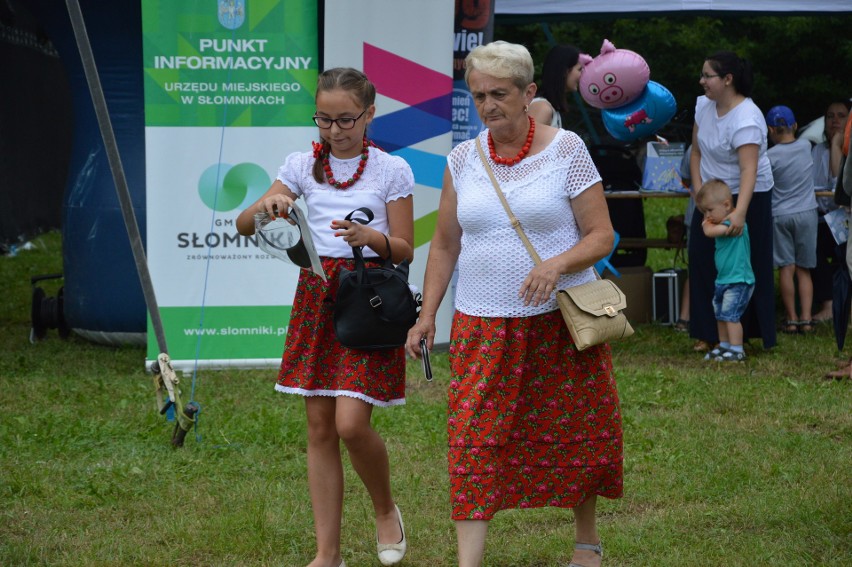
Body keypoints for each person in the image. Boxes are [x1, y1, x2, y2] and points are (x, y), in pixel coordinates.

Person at [405, 41, 622, 567]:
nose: (487, 105)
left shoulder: (566, 149)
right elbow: (445, 243)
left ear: (528, 93)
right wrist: (428, 313)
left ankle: (586, 541)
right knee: (472, 438)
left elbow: (601, 235)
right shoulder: (462, 158)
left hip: (559, 320)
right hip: (481, 323)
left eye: (499, 94)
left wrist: (555, 264)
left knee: (578, 431)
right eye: (478, 95)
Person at [236, 67, 414, 567]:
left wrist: (370, 240)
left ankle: (384, 509)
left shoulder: (389, 170)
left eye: (346, 120)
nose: (334, 131)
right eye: (324, 120)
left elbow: (405, 248)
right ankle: (327, 554)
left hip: (368, 299)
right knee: (319, 428)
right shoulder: (299, 165)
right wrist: (271, 203)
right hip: (317, 299)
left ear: (369, 115)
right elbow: (244, 223)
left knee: (351, 425)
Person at [688, 51, 776, 353]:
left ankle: (745, 334)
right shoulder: (703, 106)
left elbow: (748, 169)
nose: (702, 81)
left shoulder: (747, 118)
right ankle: (706, 331)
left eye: (707, 76)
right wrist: (701, 197)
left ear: (728, 80)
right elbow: (696, 153)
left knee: (743, 264)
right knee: (701, 256)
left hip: (747, 193)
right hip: (711, 191)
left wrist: (739, 212)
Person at [765, 105, 818, 334]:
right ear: (795, 126)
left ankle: (791, 319)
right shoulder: (806, 147)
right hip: (807, 213)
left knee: (786, 268)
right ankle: (806, 319)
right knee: (804, 269)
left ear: (770, 129)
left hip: (780, 214)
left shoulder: (768, 156)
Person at [695, 179, 755, 362]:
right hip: (723, 279)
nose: (707, 216)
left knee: (731, 316)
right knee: (720, 314)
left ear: (727, 205)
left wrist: (706, 224)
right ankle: (724, 345)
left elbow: (710, 232)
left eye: (710, 210)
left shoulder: (735, 224)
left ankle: (737, 349)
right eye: (704, 212)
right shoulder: (721, 222)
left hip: (739, 280)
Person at [810, 99, 851, 322]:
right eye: (830, 116)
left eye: (841, 115)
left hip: (845, 220)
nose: (835, 120)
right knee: (809, 243)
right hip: (822, 219)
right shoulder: (816, 150)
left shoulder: (849, 151)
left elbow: (840, 190)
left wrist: (837, 145)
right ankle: (828, 302)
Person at [528, 44, 592, 128]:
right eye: (580, 69)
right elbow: (527, 140)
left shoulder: (549, 108)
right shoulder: (543, 108)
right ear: (564, 71)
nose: (583, 74)